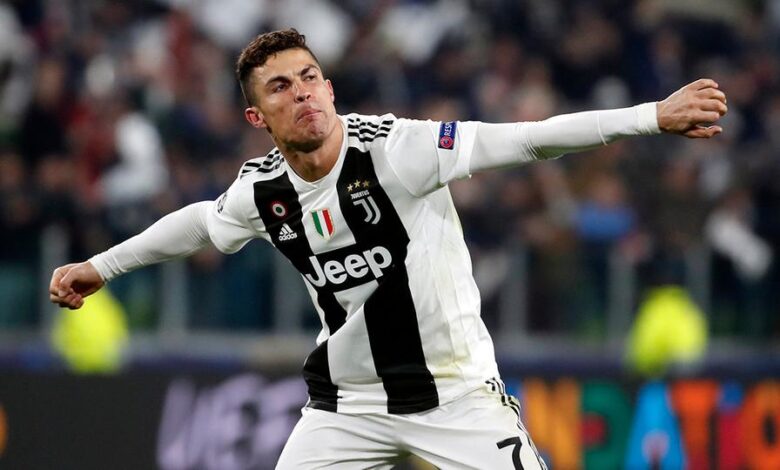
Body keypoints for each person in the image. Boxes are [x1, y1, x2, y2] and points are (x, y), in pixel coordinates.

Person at [49, 29, 727, 469]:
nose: (302, 93)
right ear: (258, 118)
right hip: (346, 406)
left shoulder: (398, 150)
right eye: (281, 87)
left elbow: (525, 139)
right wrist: (101, 267)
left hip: (455, 394)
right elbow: (201, 223)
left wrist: (650, 117)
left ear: (329, 87)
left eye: (309, 77)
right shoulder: (263, 190)